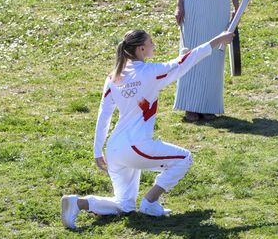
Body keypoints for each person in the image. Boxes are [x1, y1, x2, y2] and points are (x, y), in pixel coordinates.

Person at [61, 29, 234, 229]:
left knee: (124, 204)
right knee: (184, 158)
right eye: (151, 42)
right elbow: (184, 62)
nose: (154, 45)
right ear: (141, 49)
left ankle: (77, 203)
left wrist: (97, 151)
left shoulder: (113, 78)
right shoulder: (149, 72)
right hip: (136, 147)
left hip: (115, 149)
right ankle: (150, 202)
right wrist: (217, 40)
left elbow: (104, 115)